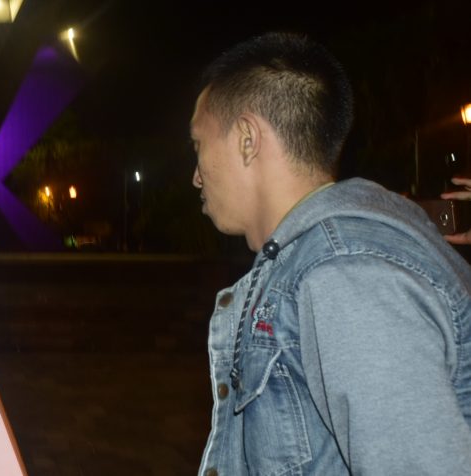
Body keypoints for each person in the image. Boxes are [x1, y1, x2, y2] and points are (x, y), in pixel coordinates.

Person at [190, 32, 471, 474]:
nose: (196, 176)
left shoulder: (347, 274)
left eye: (198, 145)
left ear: (247, 138)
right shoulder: (320, 262)